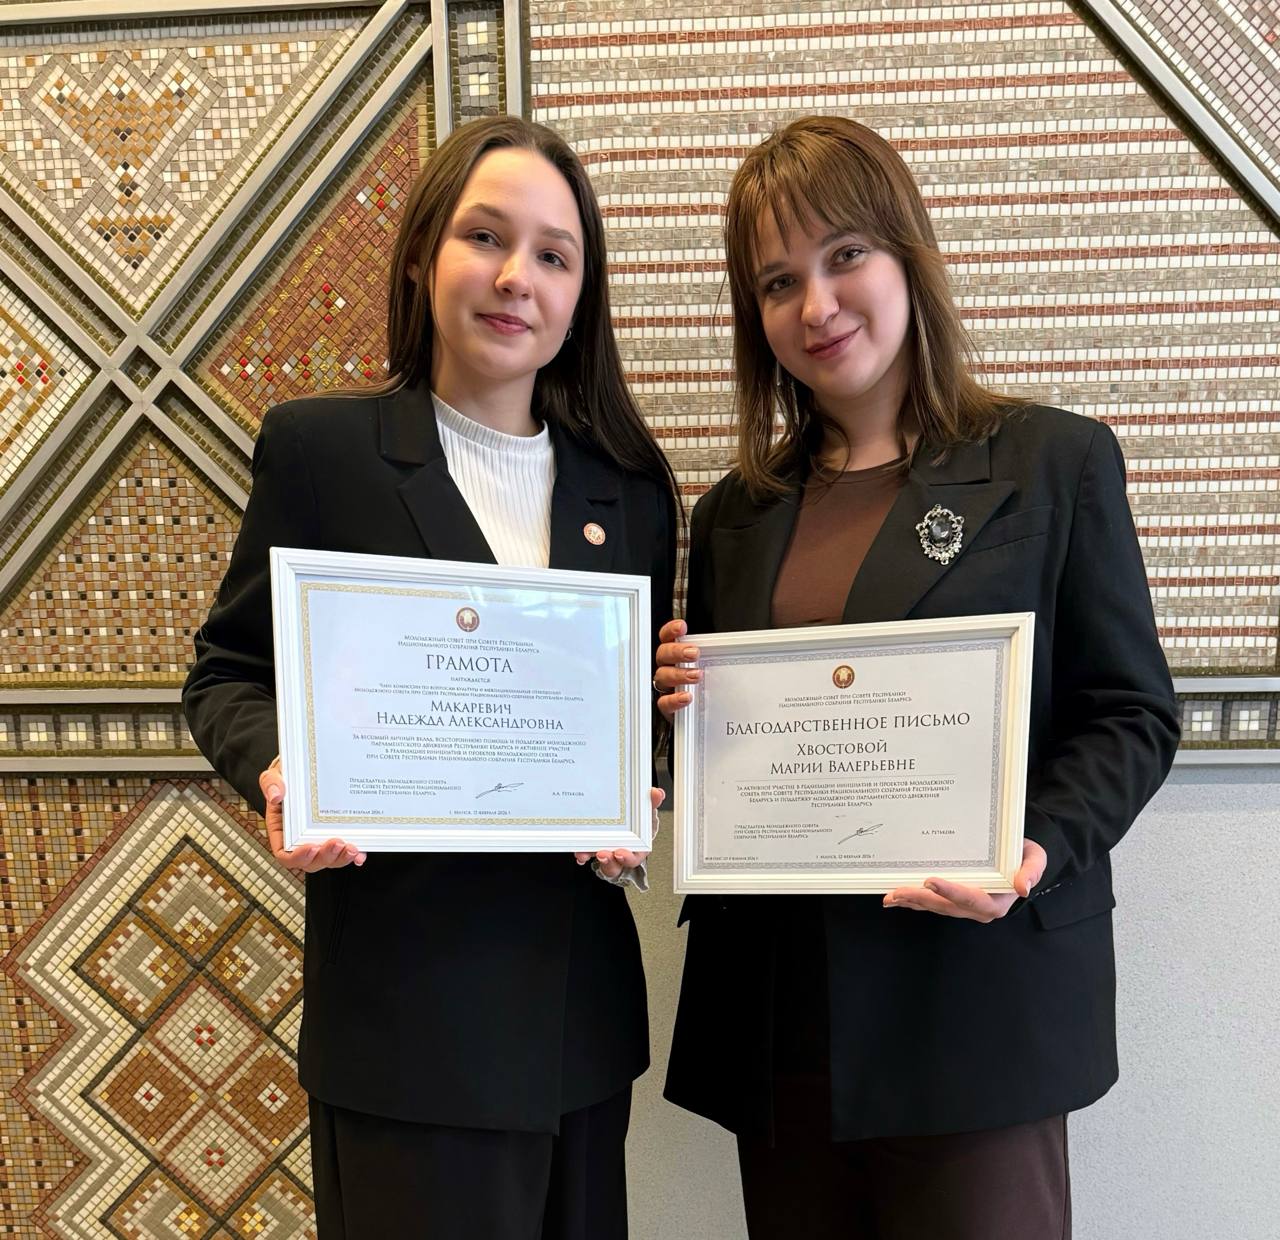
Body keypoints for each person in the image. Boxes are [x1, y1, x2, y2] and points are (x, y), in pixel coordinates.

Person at [653, 116, 1179, 1239]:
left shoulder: (1052, 462)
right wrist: (677, 705)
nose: (816, 305)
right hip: (783, 1018)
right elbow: (726, 754)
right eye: (777, 282)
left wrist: (1033, 848)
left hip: (974, 1006)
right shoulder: (734, 514)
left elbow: (1129, 713)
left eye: (845, 255)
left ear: (906, 255)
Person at [183, 115, 677, 1240]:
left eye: (553, 255)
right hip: (404, 1021)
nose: (516, 278)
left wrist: (635, 791)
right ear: (421, 256)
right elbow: (226, 674)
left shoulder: (629, 490)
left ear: (581, 293)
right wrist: (281, 771)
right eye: (484, 237)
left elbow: (623, 719)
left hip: (577, 1023)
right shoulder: (323, 453)